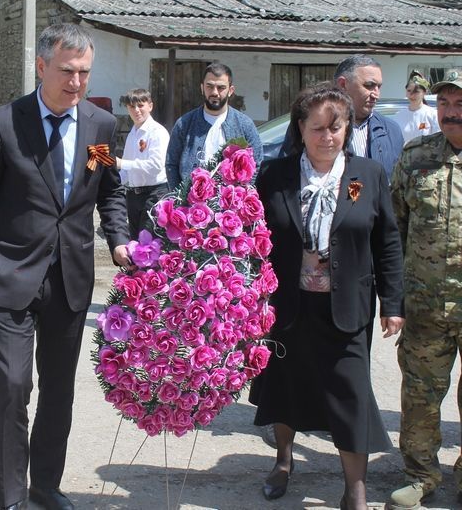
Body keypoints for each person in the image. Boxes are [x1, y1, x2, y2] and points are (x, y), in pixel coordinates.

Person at [0, 23, 130, 510]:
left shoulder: (99, 125)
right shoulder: (4, 124)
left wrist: (119, 241)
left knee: (58, 390)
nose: (77, 82)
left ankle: (45, 485)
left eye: (85, 72)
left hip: (70, 280)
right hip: (10, 276)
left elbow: (109, 192)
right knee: (13, 386)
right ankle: (11, 497)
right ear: (41, 66)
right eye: (67, 71)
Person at [249, 83, 404, 509]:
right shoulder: (275, 176)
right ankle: (283, 461)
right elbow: (252, 240)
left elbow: (387, 242)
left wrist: (393, 303)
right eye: (317, 128)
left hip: (346, 306)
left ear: (347, 128)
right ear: (300, 128)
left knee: (351, 394)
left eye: (336, 128)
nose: (327, 137)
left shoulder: (367, 175)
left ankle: (355, 488)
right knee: (285, 386)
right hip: (288, 305)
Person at [387, 69, 462, 510]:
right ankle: (420, 476)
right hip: (425, 307)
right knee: (420, 396)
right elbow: (394, 229)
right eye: (445, 104)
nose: (451, 113)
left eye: (460, 104)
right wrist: (393, 296)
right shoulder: (416, 157)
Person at [165, 62, 262, 190]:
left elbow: (256, 163)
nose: (215, 92)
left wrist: (241, 193)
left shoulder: (245, 125)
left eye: (221, 87)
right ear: (202, 88)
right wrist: (180, 196)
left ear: (230, 91)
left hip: (232, 199)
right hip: (191, 200)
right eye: (209, 86)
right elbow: (171, 164)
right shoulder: (184, 124)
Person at [114, 88, 169, 238]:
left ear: (150, 106)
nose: (136, 110)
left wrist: (122, 163)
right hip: (133, 196)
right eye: (132, 106)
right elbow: (126, 172)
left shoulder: (158, 132)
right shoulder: (133, 134)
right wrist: (111, 183)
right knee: (134, 241)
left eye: (140, 105)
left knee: (147, 244)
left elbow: (155, 166)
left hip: (154, 194)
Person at [392, 71, 439, 145]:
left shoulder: (433, 114)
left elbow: (438, 140)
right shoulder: (398, 116)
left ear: (424, 93)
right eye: (409, 91)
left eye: (416, 91)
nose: (412, 95)